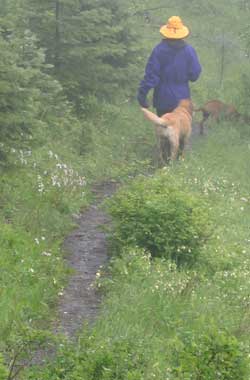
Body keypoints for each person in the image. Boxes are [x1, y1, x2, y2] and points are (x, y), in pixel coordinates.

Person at [137, 16, 202, 116]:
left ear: (166, 32)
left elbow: (151, 76)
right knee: (182, 130)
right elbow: (194, 75)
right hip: (183, 100)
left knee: (164, 128)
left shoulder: (158, 50)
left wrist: (142, 94)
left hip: (163, 100)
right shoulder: (189, 50)